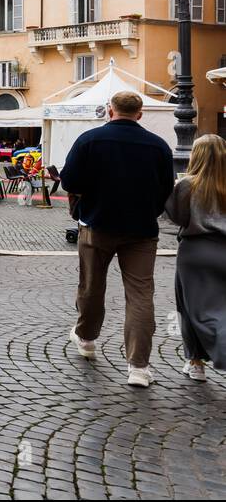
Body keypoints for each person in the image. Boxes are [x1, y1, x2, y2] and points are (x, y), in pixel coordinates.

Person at [61, 91, 174, 388]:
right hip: (142, 230)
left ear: (110, 110)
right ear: (140, 113)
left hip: (97, 225)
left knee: (91, 286)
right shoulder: (158, 145)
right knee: (140, 295)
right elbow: (166, 189)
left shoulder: (89, 140)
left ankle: (86, 339)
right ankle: (138, 367)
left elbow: (69, 180)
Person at [164, 134, 226, 381]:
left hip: (195, 252)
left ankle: (196, 362)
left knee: (190, 309)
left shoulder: (188, 184)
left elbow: (176, 216)